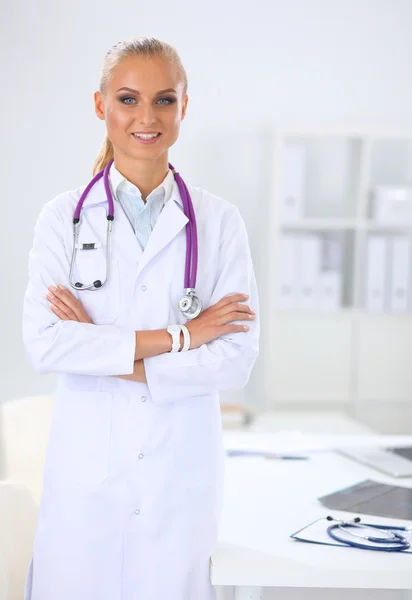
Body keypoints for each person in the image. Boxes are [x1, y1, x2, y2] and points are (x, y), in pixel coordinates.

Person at [22, 36, 260, 600]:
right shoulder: (62, 219)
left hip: (176, 484)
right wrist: (184, 337)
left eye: (164, 100)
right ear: (101, 105)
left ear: (184, 105)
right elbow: (45, 346)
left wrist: (100, 347)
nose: (146, 117)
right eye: (128, 99)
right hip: (86, 485)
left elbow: (235, 361)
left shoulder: (220, 224)